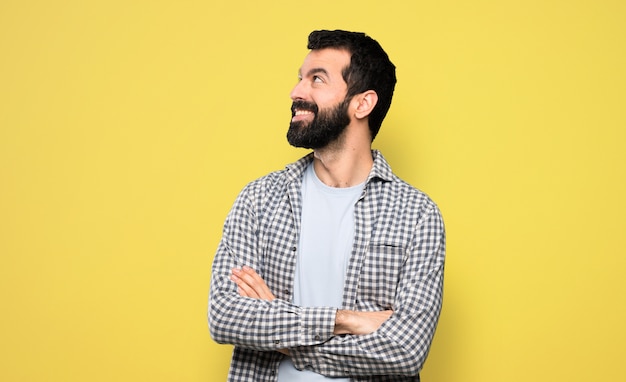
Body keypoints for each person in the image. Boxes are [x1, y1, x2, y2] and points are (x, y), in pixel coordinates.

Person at [208, 29, 446, 381]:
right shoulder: (260, 199)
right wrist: (344, 320)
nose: (296, 92)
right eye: (300, 79)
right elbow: (225, 316)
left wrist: (278, 327)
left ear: (362, 103)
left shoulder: (417, 215)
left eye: (316, 79)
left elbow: (405, 351)